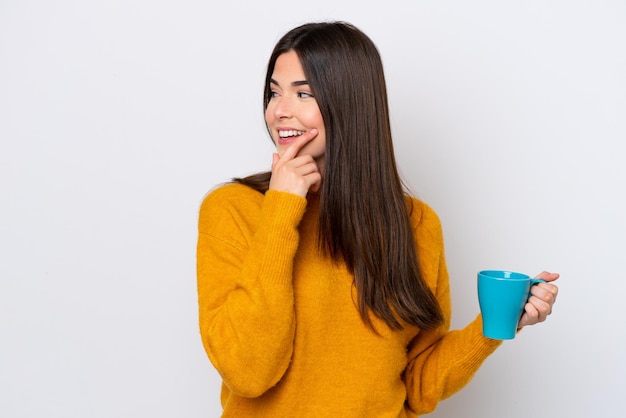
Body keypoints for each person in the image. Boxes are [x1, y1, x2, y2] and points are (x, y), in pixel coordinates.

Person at [196, 21, 559, 417]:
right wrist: (282, 210)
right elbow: (247, 372)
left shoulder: (417, 224)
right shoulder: (233, 210)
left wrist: (498, 325)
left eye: (303, 93)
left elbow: (418, 387)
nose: (279, 111)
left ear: (349, 103)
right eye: (274, 92)